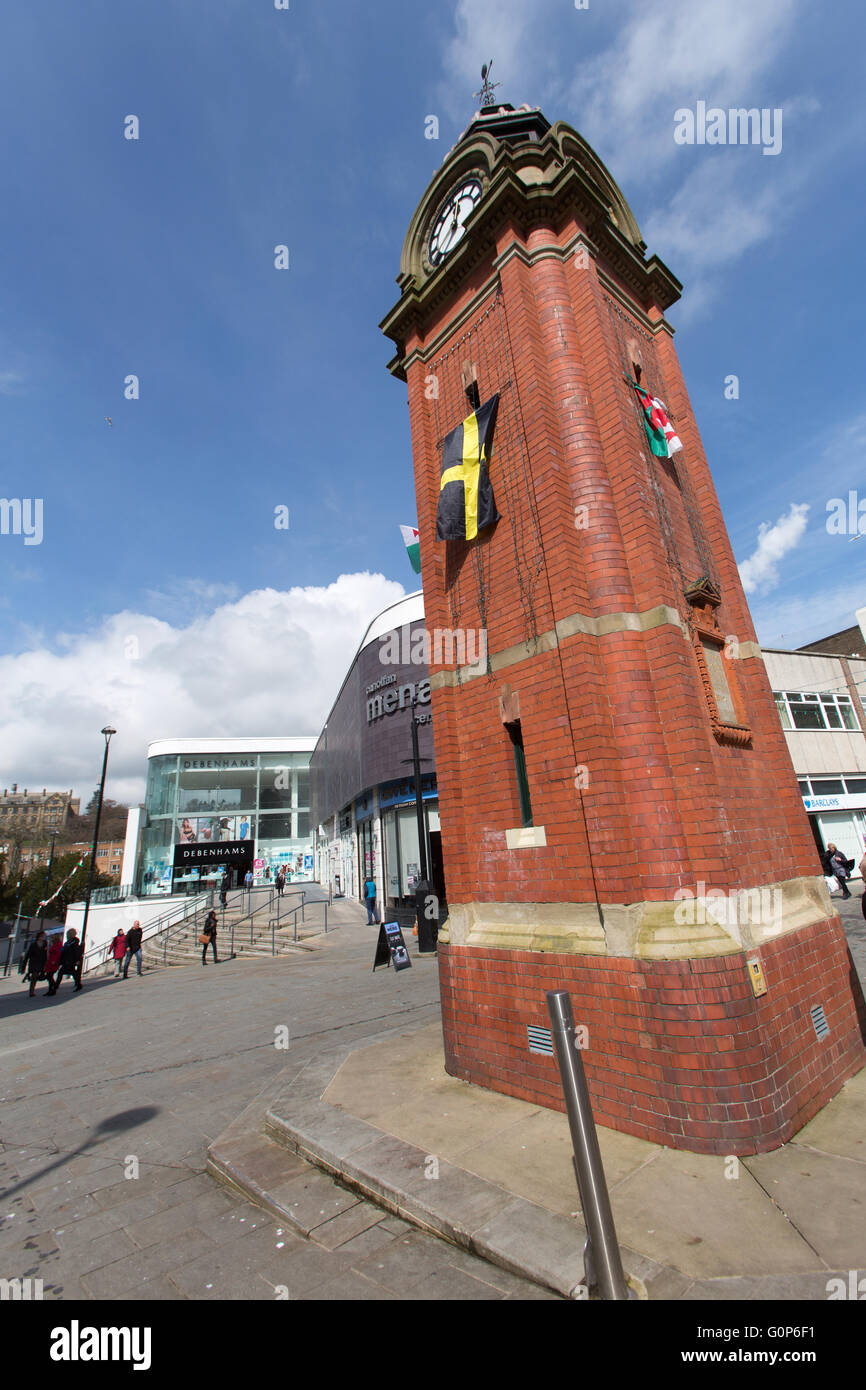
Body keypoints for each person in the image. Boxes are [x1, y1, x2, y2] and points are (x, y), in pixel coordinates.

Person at [49, 928, 83, 993]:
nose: (67, 936)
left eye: (68, 934)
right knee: (70, 973)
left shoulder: (74, 943)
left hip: (71, 961)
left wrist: (77, 960)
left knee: (64, 973)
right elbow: (63, 952)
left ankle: (55, 988)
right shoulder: (67, 943)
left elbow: (77, 952)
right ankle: (78, 985)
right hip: (66, 961)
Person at [21, 930, 48, 999]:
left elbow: (45, 954)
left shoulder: (45, 943)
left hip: (41, 963)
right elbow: (28, 955)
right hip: (34, 963)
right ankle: (31, 991)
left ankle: (31, 987)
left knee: (37, 977)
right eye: (42, 936)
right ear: (39, 937)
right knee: (34, 976)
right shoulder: (33, 944)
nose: (43, 938)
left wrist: (46, 962)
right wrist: (24, 965)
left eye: (43, 937)